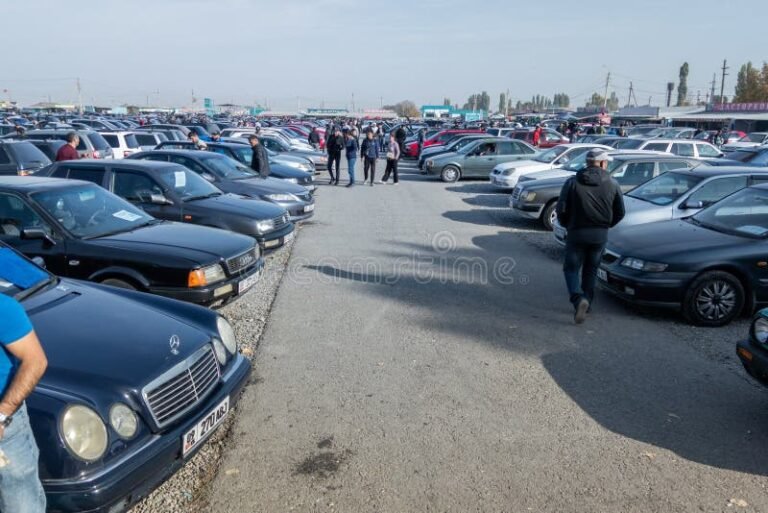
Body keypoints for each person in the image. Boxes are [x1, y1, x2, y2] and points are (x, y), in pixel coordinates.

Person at [556, 149, 625, 324]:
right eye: (606, 162)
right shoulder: (613, 183)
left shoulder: (572, 182)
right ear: (602, 163)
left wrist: (567, 225)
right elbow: (620, 212)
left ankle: (579, 299)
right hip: (599, 234)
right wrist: (606, 225)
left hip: (576, 232)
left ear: (586, 163)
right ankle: (588, 301)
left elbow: (561, 209)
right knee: (591, 269)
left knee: (571, 269)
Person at [0, 293, 49, 512]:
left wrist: (2, 414)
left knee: (20, 502)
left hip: (5, 428)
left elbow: (35, 361)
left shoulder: (3, 308)